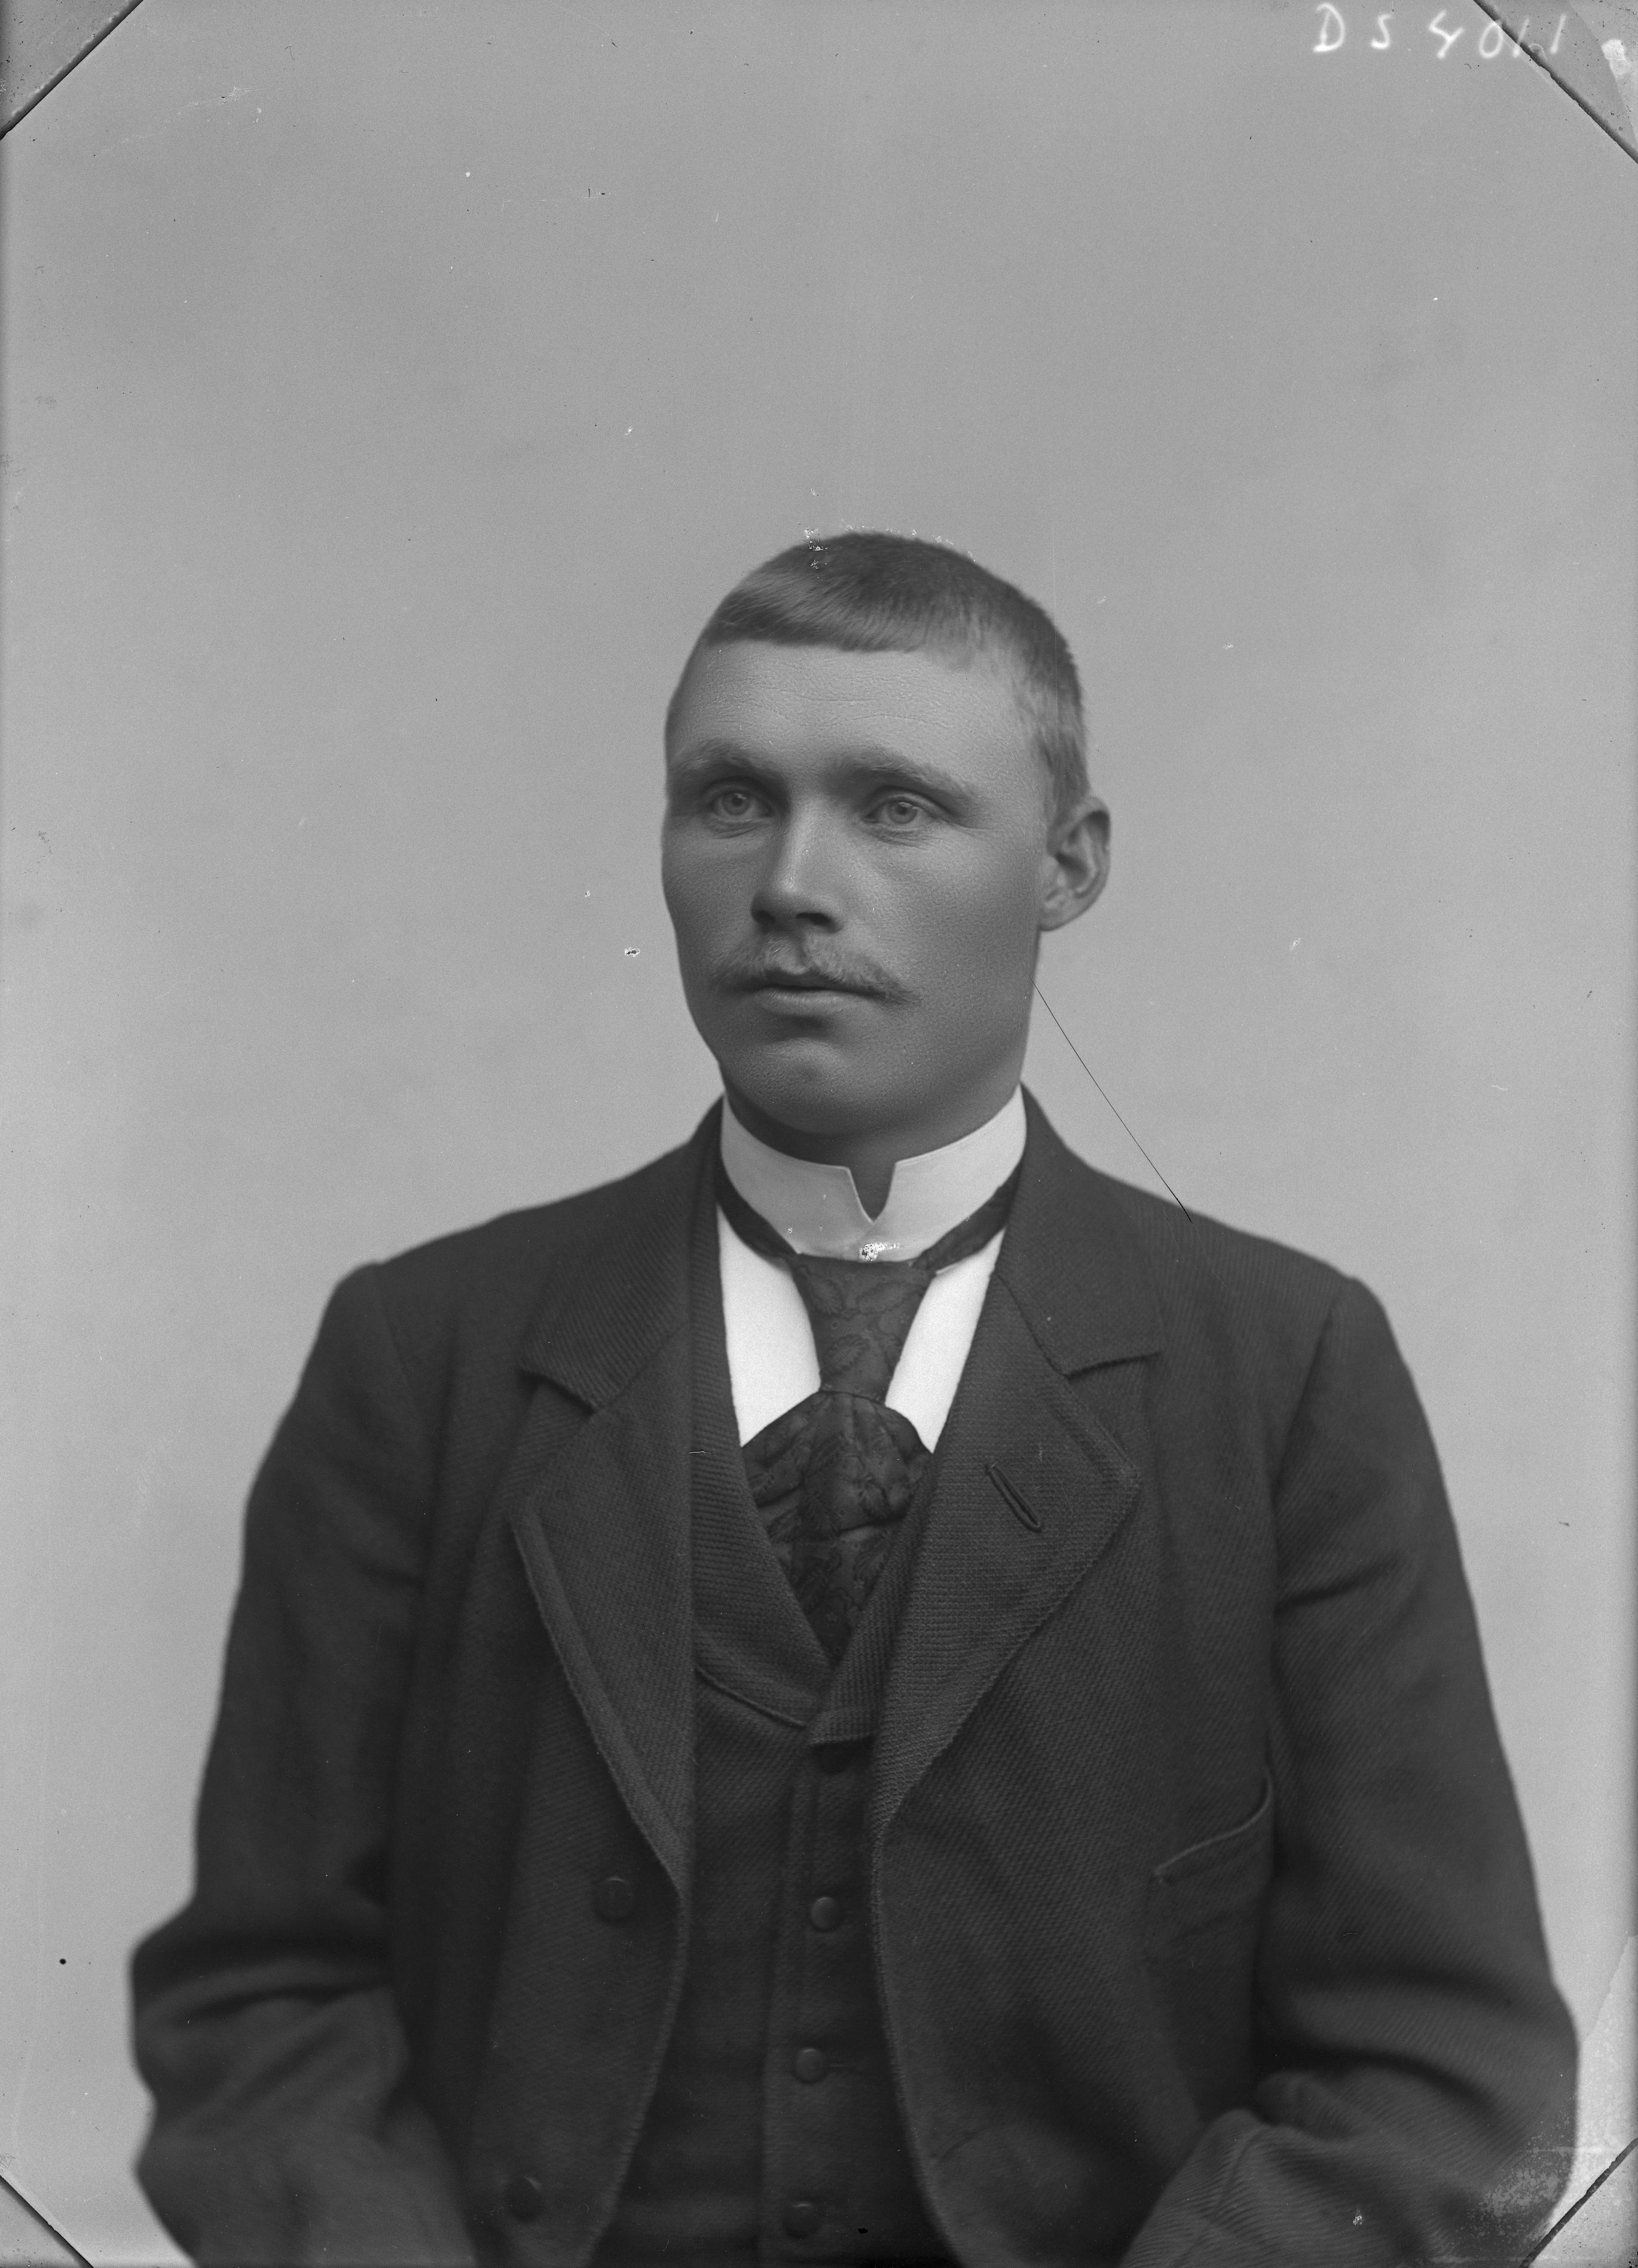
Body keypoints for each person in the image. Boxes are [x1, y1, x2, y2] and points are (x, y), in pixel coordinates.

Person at [131, 532, 1576, 2267]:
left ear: (1067, 864)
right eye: (731, 799)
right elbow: (264, 1998)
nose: (791, 884)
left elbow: (1440, 2073)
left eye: (895, 807)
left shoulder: (1285, 1374)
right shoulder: (427, 1353)